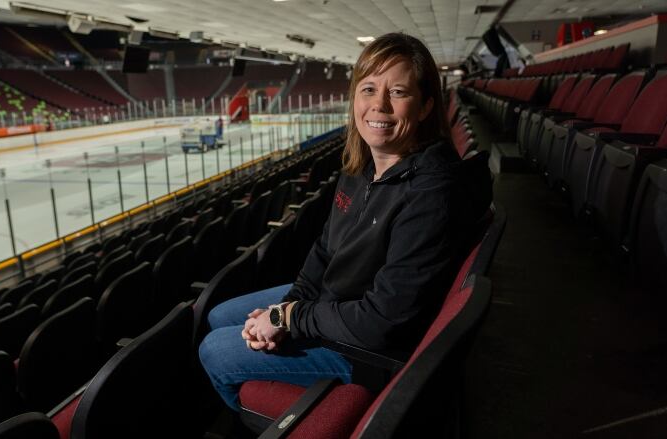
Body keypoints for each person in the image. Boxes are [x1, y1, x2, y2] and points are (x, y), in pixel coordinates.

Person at [198, 32, 492, 411]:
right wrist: (290, 305)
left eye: (398, 92)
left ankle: (274, 418)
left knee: (214, 351)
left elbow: (383, 321)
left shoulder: (431, 193)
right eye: (368, 89)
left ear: (424, 107)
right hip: (341, 301)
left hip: (368, 348)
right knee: (220, 313)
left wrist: (290, 318)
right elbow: (325, 248)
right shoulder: (362, 167)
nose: (379, 105)